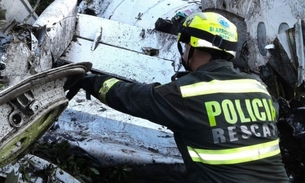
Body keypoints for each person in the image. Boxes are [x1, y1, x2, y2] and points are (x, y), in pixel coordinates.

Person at [67, 12, 289, 183]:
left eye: (185, 45)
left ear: (194, 46)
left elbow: (131, 97)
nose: (183, 53)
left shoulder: (188, 93)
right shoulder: (258, 88)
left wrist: (89, 81)